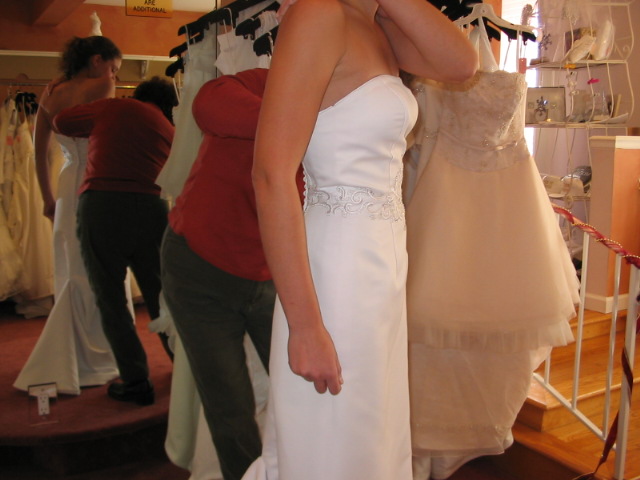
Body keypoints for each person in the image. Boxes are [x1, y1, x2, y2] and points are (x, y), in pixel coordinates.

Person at [240, 1, 477, 479]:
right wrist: (306, 327)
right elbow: (270, 175)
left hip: (380, 268)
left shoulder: (376, 24)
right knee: (334, 439)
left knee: (370, 435)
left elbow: (461, 63)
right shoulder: (320, 14)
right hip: (337, 274)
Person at [405, 19, 579, 480]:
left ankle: (470, 431)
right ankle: (428, 440)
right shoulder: (429, 47)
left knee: (500, 334)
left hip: (510, 203)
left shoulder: (489, 35)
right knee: (433, 330)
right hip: (446, 199)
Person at [161, 68, 303, 480]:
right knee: (230, 407)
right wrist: (306, 126)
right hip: (200, 267)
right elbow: (208, 102)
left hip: (274, 275)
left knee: (303, 393)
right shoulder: (267, 82)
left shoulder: (351, 114)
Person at [54, 76, 178, 405]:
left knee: (110, 297)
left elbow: (62, 121)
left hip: (104, 203)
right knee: (161, 296)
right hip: (153, 207)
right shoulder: (169, 130)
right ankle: (183, 369)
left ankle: (137, 381)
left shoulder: (116, 107)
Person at [14, 36, 124, 396]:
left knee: (71, 268)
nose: (114, 76)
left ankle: (73, 348)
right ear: (97, 61)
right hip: (96, 180)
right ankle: (98, 354)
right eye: (113, 67)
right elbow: (106, 137)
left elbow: (39, 153)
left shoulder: (51, 93)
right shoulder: (102, 86)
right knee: (100, 268)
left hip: (65, 183)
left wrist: (47, 198)